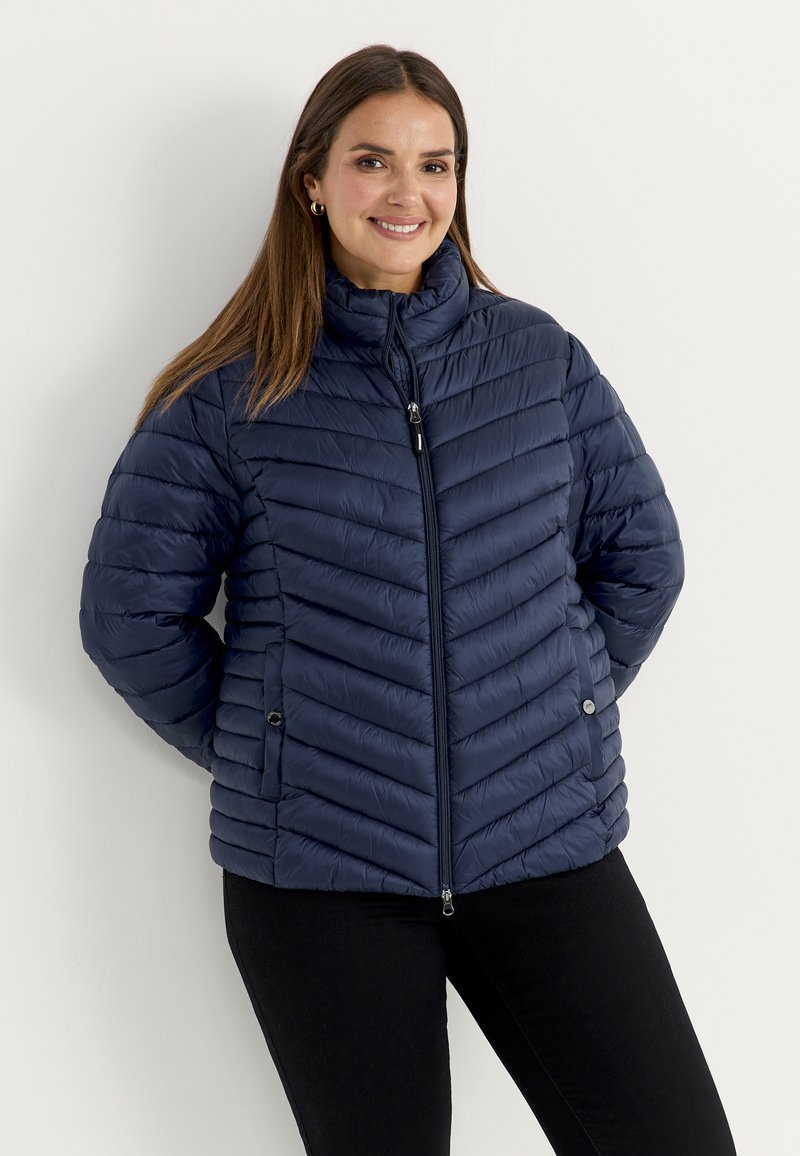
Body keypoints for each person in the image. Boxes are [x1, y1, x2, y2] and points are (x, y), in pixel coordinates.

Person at [78, 43, 737, 1156]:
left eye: (436, 165)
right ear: (312, 180)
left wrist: (550, 711)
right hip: (323, 881)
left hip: (546, 847)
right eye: (372, 160)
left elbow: (642, 559)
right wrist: (278, 749)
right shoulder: (231, 393)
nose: (407, 192)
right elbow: (129, 614)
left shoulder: (538, 361)